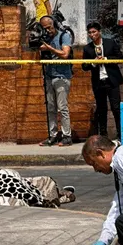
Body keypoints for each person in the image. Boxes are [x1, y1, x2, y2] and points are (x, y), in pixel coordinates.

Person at [82, 21, 123, 139]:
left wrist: (106, 59)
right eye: (89, 33)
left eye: (94, 32)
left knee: (116, 108)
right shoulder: (87, 48)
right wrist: (94, 62)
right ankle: (103, 136)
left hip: (112, 80)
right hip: (98, 82)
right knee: (101, 109)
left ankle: (120, 134)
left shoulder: (110, 43)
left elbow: (120, 58)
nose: (92, 34)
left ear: (99, 32)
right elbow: (84, 66)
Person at [38, 15, 73, 147]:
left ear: (54, 24)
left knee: (62, 108)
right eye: (45, 28)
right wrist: (39, 48)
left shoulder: (64, 35)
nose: (48, 31)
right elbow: (39, 59)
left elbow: (65, 54)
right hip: (49, 75)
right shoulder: (44, 37)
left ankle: (66, 136)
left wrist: (49, 48)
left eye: (49, 27)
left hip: (62, 76)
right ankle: (52, 135)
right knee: (50, 108)